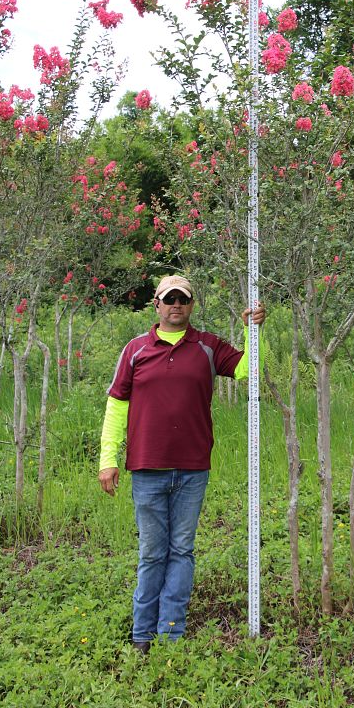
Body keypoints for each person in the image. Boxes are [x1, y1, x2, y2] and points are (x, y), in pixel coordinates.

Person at [98, 274, 265, 652]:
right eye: (168, 298)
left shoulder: (207, 347)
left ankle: (171, 631)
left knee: (182, 550)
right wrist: (108, 458)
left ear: (192, 305)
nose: (176, 304)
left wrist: (255, 332)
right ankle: (142, 634)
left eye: (183, 299)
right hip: (147, 468)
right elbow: (116, 405)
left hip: (192, 468)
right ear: (155, 304)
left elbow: (247, 371)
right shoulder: (135, 350)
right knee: (152, 552)